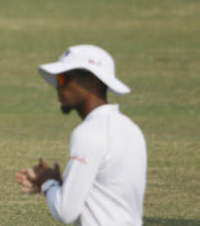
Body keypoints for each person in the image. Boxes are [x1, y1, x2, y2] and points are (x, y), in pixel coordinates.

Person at [15, 44, 147, 226]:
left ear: (92, 80)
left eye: (63, 78)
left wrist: (48, 183)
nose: (58, 87)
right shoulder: (131, 129)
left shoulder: (88, 133)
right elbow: (106, 192)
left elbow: (66, 212)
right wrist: (61, 186)